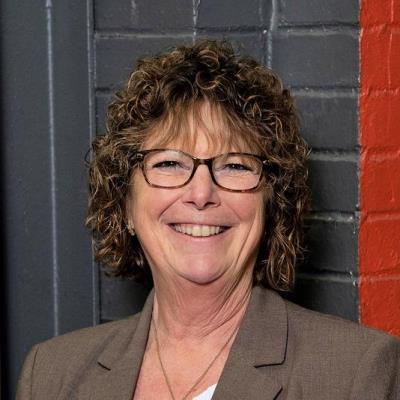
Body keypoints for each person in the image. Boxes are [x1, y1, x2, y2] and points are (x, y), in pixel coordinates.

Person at [17, 40, 399, 400]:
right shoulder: (51, 375)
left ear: (272, 204)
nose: (201, 194)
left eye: (235, 166)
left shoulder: (356, 375)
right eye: (169, 163)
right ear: (126, 204)